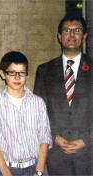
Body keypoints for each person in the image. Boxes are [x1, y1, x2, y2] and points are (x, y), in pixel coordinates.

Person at [34, 15, 92, 175]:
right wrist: (55, 137)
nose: (72, 35)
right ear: (59, 37)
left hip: (89, 154)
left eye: (77, 30)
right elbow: (38, 112)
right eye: (67, 30)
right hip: (56, 154)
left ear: (85, 36)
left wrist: (86, 140)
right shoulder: (44, 71)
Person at [0, 51, 52, 176]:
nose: (17, 77)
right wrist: (7, 173)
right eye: (12, 73)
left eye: (22, 73)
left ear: (27, 75)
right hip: (5, 169)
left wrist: (39, 171)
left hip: (33, 168)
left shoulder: (38, 103)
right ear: (3, 74)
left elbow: (45, 138)